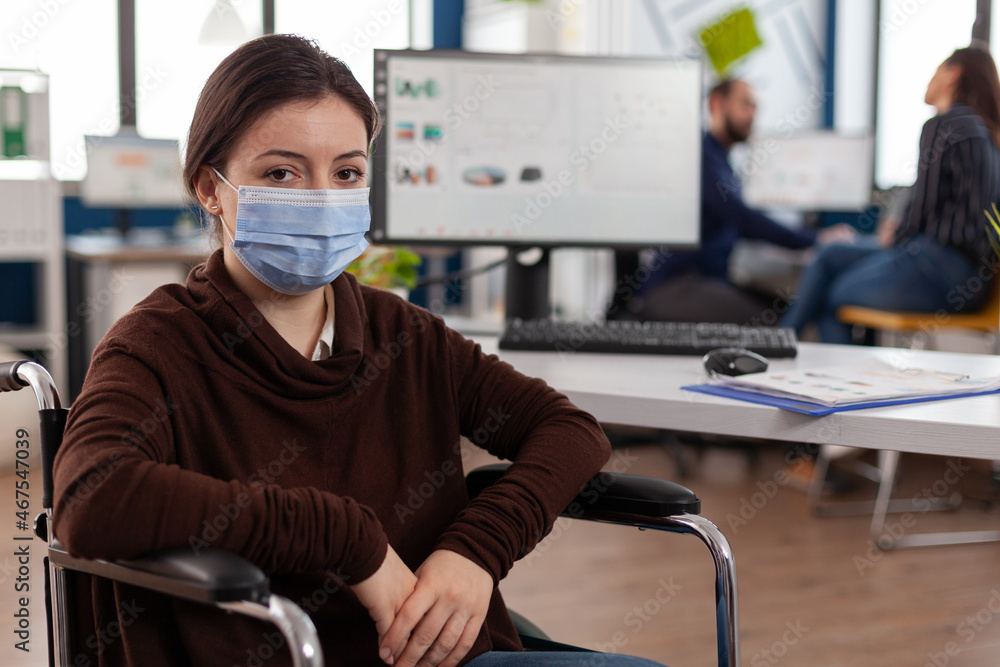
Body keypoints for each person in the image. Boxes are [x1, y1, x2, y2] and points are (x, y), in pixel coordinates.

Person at [51, 35, 666, 667]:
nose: (321, 198)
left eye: (346, 172)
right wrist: (344, 538)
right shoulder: (158, 345)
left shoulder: (404, 333)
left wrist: (478, 549)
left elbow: (569, 430)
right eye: (281, 172)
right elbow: (89, 499)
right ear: (210, 188)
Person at [781, 45, 1000, 343]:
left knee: (832, 295)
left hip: (935, 266)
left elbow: (923, 206)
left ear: (953, 73)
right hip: (973, 281)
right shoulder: (987, 134)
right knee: (831, 254)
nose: (930, 79)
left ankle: (778, 346)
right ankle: (782, 343)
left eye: (936, 69)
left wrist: (897, 236)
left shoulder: (945, 125)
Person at [635, 78, 854, 324]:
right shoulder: (702, 158)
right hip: (677, 286)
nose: (752, 115)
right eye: (746, 105)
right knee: (775, 319)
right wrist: (815, 239)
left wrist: (799, 241)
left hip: (706, 281)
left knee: (787, 306)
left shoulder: (722, 161)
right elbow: (743, 217)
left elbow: (738, 224)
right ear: (717, 104)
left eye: (756, 108)